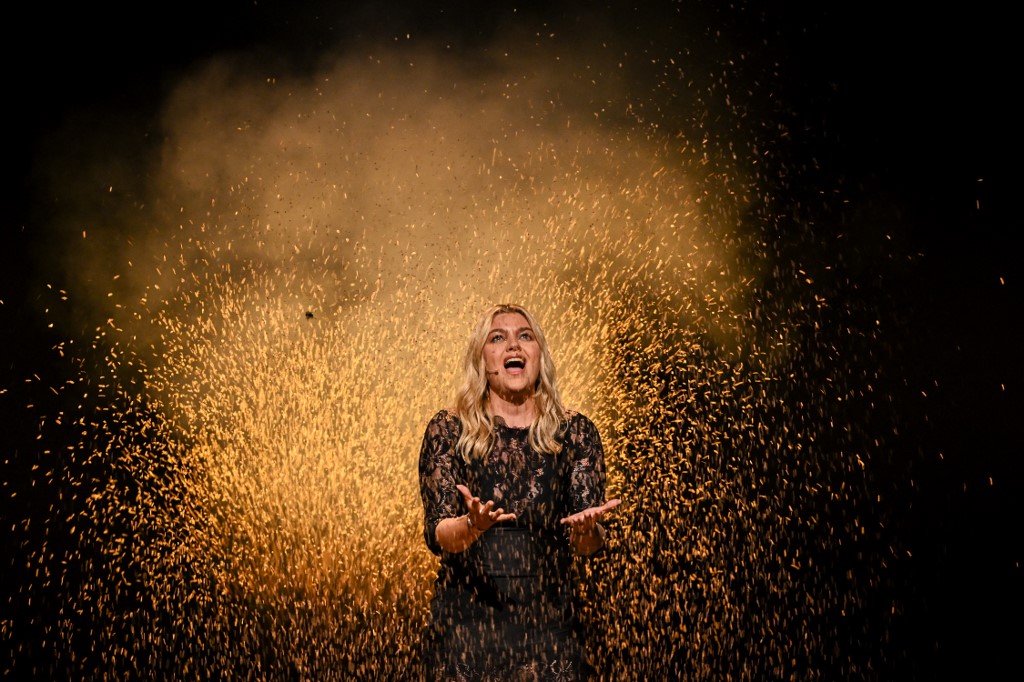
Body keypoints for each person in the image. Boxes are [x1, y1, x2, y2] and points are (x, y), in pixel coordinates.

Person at [418, 303, 621, 681]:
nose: (513, 345)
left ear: (539, 356)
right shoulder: (448, 430)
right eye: (498, 338)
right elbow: (439, 533)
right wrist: (471, 526)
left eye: (525, 336)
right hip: (467, 634)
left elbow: (588, 543)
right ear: (482, 360)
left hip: (550, 635)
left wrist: (586, 531)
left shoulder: (575, 433)